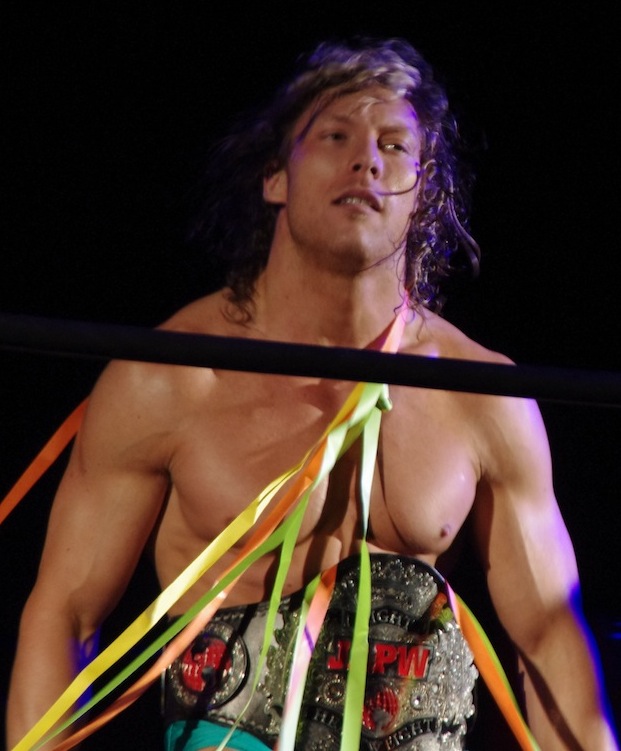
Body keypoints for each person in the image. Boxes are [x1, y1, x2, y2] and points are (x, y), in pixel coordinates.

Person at [6, 37, 618, 751]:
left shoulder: (481, 395)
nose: (367, 161)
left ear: (422, 196)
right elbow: (65, 615)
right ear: (275, 176)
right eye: (336, 136)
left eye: (394, 145)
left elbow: (549, 635)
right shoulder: (169, 378)